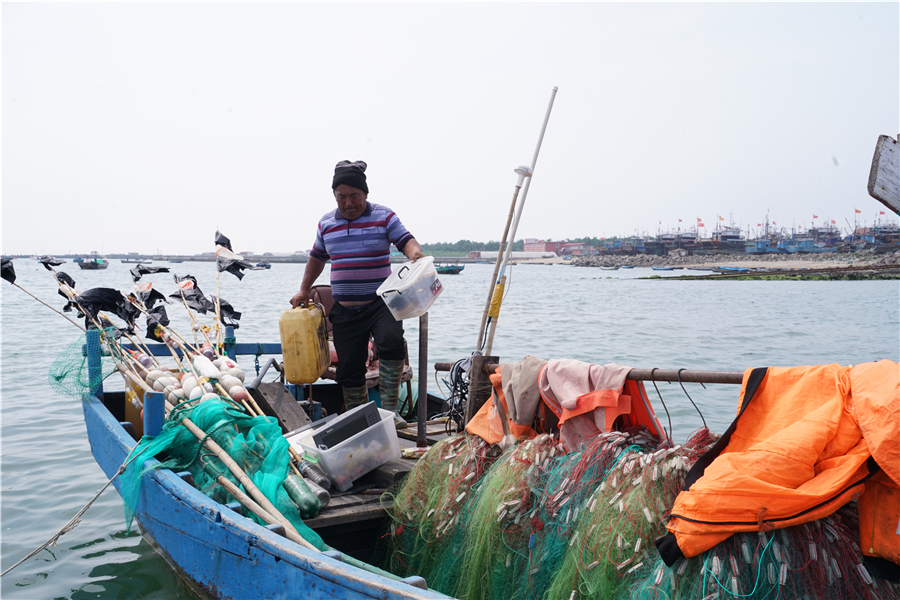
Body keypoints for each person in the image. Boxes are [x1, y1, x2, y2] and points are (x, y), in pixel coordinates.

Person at [290, 160, 424, 428]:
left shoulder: (384, 216)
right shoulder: (326, 223)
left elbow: (405, 240)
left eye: (355, 196)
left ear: (365, 194)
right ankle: (361, 419)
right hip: (345, 308)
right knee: (349, 367)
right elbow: (317, 257)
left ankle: (389, 412)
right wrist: (304, 289)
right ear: (335, 197)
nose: (349, 202)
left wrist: (415, 255)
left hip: (381, 303)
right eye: (342, 197)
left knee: (390, 341)